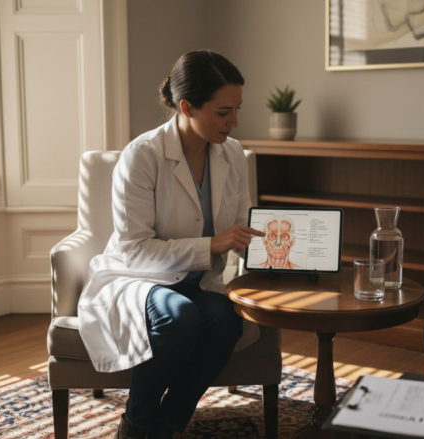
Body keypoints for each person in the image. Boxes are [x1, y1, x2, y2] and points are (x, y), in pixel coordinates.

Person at [77, 50, 266, 439]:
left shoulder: (231, 153)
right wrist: (212, 244)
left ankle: (168, 425)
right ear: (187, 107)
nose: (235, 122)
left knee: (226, 320)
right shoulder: (141, 156)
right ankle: (137, 423)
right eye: (223, 112)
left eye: (237, 110)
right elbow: (134, 249)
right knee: (178, 318)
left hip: (200, 280)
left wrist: (279, 250)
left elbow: (244, 225)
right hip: (138, 277)